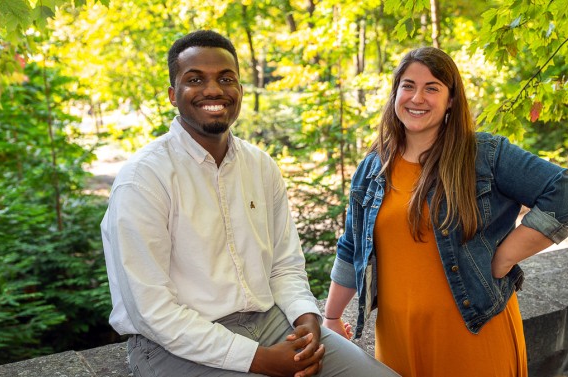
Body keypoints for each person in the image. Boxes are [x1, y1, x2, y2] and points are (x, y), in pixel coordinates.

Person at [101, 30, 399, 377]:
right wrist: (260, 359)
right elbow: (152, 310)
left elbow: (284, 265)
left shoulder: (260, 165)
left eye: (226, 79)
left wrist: (307, 319)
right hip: (171, 344)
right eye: (195, 79)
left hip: (270, 320)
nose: (213, 89)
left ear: (240, 90)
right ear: (173, 94)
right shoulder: (143, 179)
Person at [322, 46, 568, 377]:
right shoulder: (372, 168)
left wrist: (505, 256)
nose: (417, 97)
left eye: (432, 87)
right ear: (395, 94)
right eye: (408, 85)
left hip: (472, 332)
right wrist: (331, 317)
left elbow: (566, 195)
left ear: (450, 100)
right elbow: (352, 245)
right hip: (398, 338)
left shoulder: (483, 155)